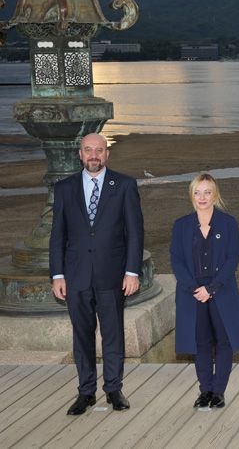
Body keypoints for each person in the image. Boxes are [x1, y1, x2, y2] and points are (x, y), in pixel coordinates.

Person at [49, 133, 144, 415]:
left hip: (112, 275)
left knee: (113, 335)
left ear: (107, 154)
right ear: (80, 154)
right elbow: (58, 236)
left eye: (99, 150)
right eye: (88, 150)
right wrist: (57, 275)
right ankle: (86, 392)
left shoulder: (124, 185)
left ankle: (114, 389)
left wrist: (131, 271)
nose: (94, 155)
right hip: (76, 276)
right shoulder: (64, 188)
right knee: (82, 336)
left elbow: (135, 233)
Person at [170, 173, 239, 409]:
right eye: (197, 192)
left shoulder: (229, 224)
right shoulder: (181, 225)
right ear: (191, 196)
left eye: (207, 192)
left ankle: (219, 392)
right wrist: (196, 288)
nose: (202, 197)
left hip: (221, 290)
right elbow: (176, 261)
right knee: (200, 342)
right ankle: (205, 390)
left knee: (223, 341)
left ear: (215, 195)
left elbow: (232, 260)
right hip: (192, 293)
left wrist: (212, 288)